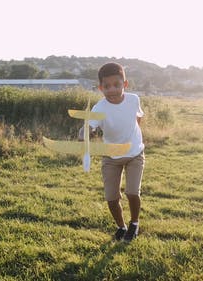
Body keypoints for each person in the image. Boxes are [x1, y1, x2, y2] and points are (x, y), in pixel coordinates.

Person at [79, 62, 145, 242]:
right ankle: (121, 226)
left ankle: (134, 223)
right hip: (110, 157)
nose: (112, 90)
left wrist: (135, 138)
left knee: (132, 192)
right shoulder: (99, 108)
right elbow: (89, 127)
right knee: (111, 198)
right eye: (106, 86)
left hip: (134, 155)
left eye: (117, 85)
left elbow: (138, 118)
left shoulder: (133, 99)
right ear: (100, 88)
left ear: (125, 84)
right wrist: (84, 134)